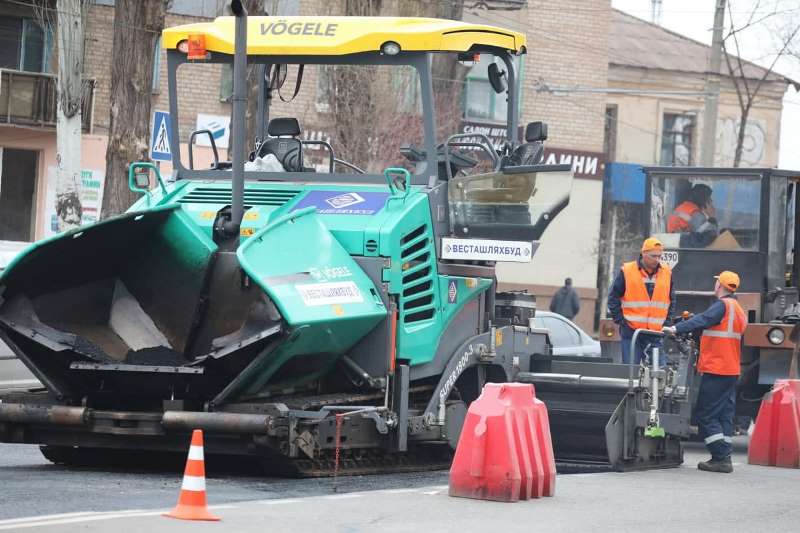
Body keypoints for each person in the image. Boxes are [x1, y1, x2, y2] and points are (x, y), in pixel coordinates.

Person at [663, 271, 747, 474]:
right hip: (731, 369)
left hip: (716, 368)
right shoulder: (738, 309)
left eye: (717, 281)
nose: (716, 284)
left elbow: (703, 320)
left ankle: (720, 457)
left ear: (720, 286)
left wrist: (676, 329)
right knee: (724, 414)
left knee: (706, 414)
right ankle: (724, 452)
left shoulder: (721, 305)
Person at [607, 237, 675, 365]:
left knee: (659, 371)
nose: (657, 260)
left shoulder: (667, 273)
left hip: (656, 332)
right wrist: (621, 321)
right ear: (643, 253)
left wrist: (667, 322)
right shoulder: (627, 271)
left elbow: (672, 299)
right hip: (632, 331)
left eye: (659, 256)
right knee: (631, 371)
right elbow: (613, 297)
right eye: (653, 256)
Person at [667, 183, 718, 248]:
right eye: (709, 199)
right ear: (703, 199)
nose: (711, 201)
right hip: (684, 245)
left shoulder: (683, 207)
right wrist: (712, 217)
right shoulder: (694, 212)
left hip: (676, 242)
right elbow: (709, 234)